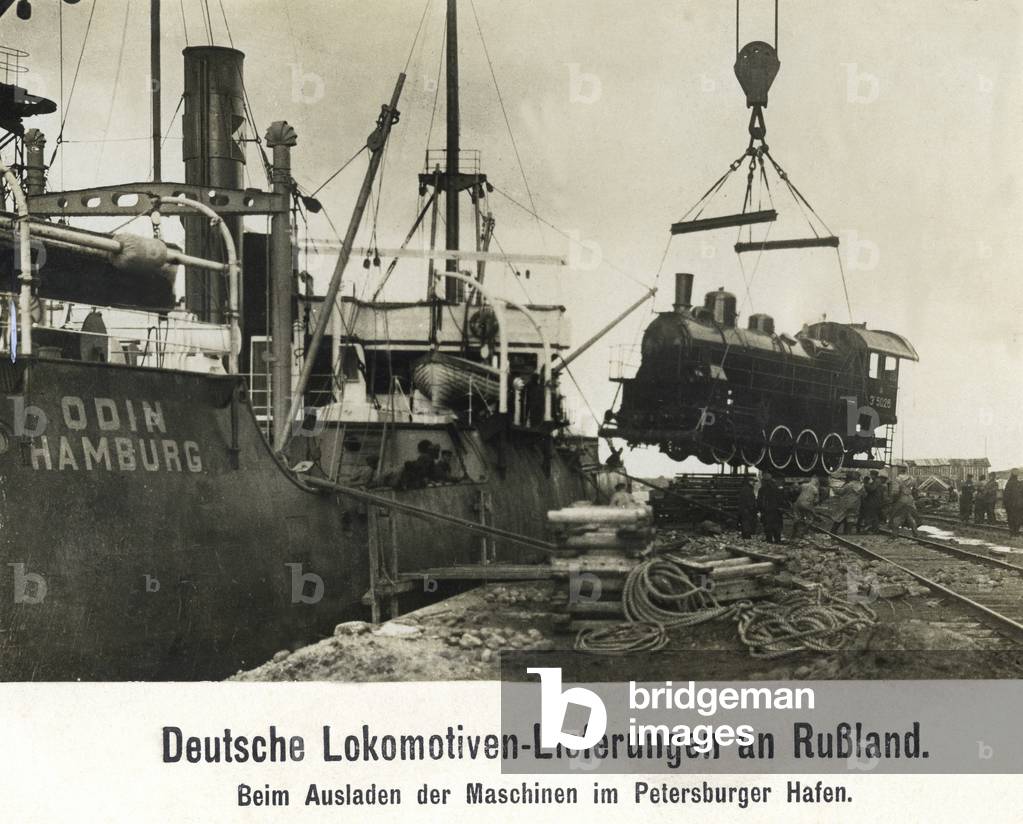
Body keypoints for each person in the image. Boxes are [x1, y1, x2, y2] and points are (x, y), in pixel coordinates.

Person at [889, 466, 919, 536]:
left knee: (896, 515)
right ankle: (915, 532)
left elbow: (895, 492)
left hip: (901, 499)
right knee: (909, 515)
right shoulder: (912, 479)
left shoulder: (898, 479)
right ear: (906, 470)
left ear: (899, 469)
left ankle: (894, 534)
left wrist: (893, 501)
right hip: (910, 500)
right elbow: (915, 491)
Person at [757, 470, 785, 544]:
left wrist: (761, 510)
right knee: (777, 528)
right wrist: (782, 508)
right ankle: (777, 541)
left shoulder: (762, 489)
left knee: (768, 529)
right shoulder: (777, 488)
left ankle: (769, 543)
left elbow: (759, 501)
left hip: (766, 512)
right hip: (776, 512)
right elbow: (781, 500)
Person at [1004, 470, 1022, 536]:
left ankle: (1012, 532)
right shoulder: (1020, 484)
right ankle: (1016, 532)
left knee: (1011, 518)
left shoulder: (1009, 483)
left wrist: (1006, 504)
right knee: (1018, 518)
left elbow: (1006, 495)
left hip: (1011, 505)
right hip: (1019, 505)